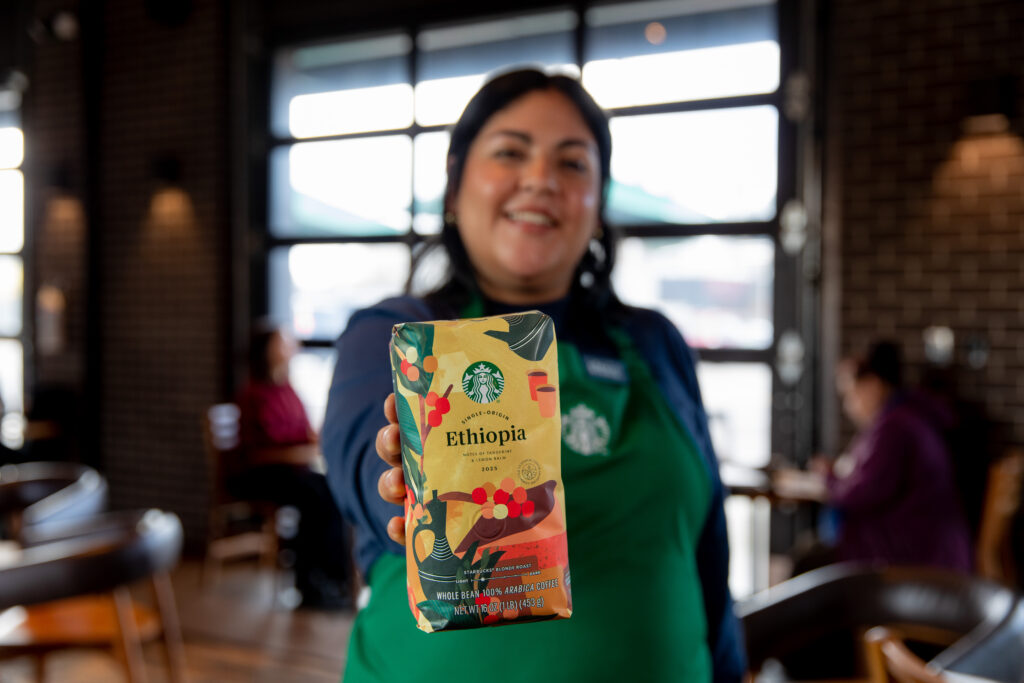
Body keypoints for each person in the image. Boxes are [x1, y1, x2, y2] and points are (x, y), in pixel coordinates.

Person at [322, 69, 745, 681]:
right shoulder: (397, 334)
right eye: (510, 153)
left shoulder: (654, 343)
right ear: (455, 184)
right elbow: (360, 454)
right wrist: (393, 475)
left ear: (598, 207)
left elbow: (709, 551)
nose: (542, 179)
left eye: (572, 164)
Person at [816, 341, 972, 571]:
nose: (848, 406)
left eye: (851, 394)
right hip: (930, 545)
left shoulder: (895, 428)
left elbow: (860, 493)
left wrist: (826, 476)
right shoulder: (909, 416)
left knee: (810, 560)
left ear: (872, 385)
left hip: (915, 554)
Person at [232, 323, 352, 609]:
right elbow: (256, 451)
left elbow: (304, 432)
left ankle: (332, 580)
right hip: (262, 474)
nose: (292, 347)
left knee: (329, 490)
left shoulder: (286, 388)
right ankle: (308, 582)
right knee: (314, 496)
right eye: (283, 343)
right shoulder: (253, 393)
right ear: (268, 351)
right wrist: (300, 452)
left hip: (292, 470)